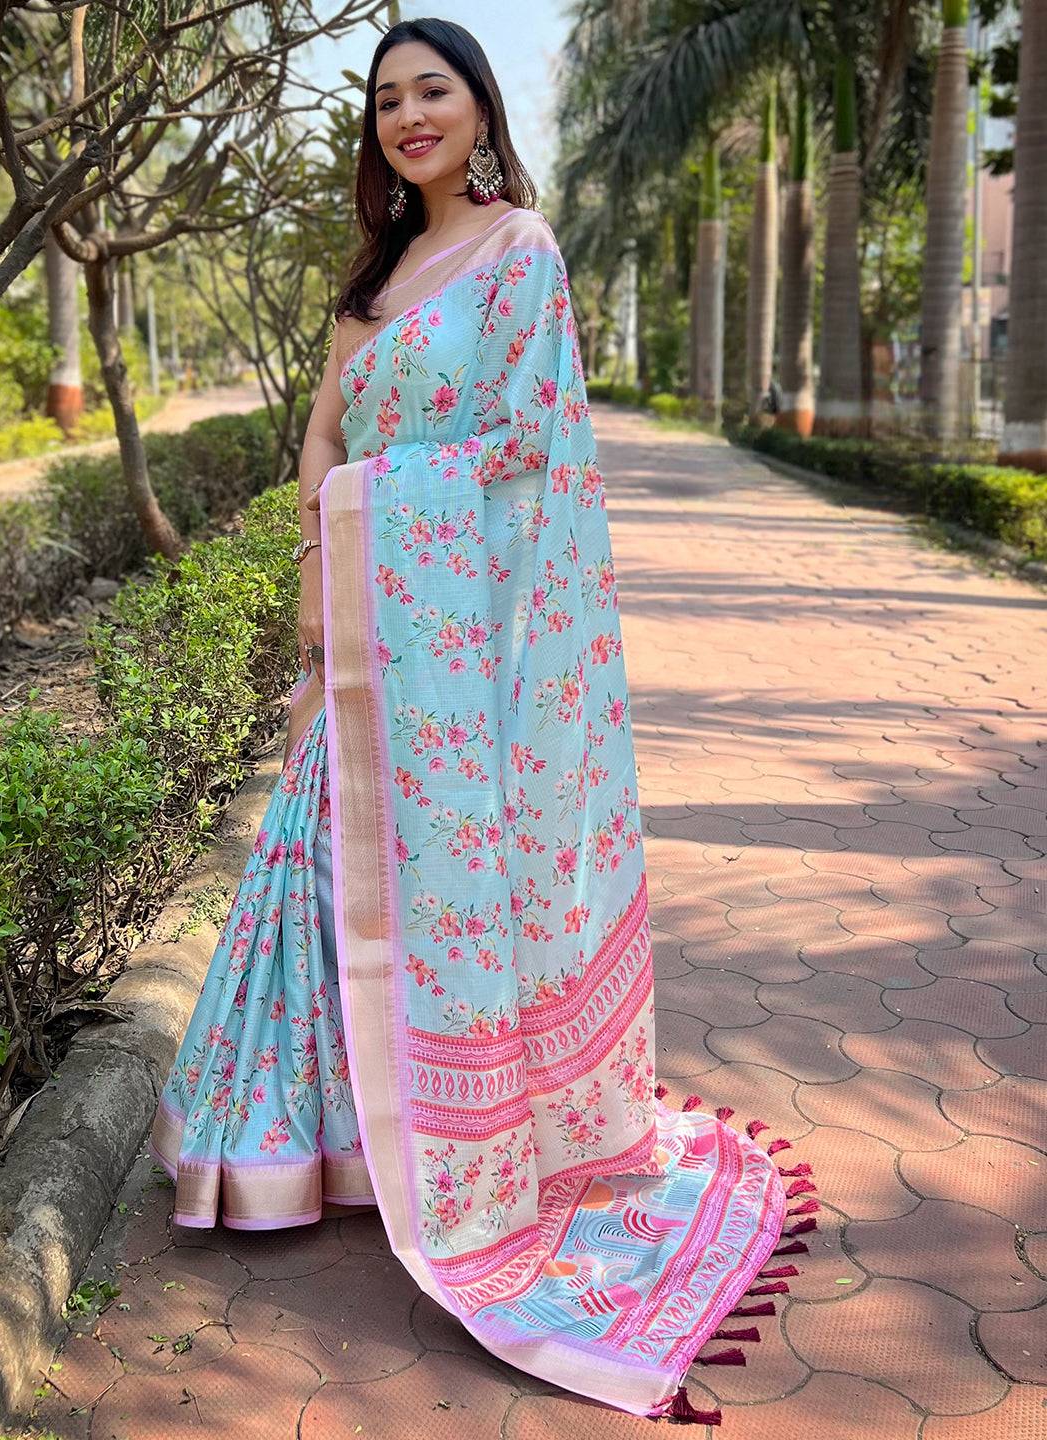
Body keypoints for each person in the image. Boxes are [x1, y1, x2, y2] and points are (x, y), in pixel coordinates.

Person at [149, 17, 811, 1424]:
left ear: (476, 106)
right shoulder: (374, 281)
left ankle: (466, 1155)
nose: (407, 116)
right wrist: (331, 554)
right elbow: (325, 432)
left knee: (435, 892)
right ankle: (309, 1146)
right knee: (322, 875)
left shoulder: (520, 252)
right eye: (386, 100)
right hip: (368, 616)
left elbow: (530, 441)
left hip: (460, 639)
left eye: (430, 90)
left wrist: (380, 509)